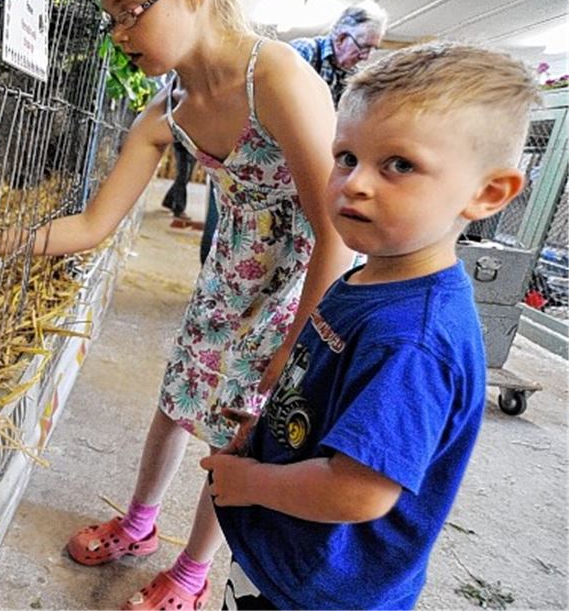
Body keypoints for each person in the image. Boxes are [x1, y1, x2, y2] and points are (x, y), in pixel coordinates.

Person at [0, 0, 355, 607]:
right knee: (176, 401)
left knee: (239, 434)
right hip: (228, 277)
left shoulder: (277, 77)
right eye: (113, 18)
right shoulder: (169, 110)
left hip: (296, 290)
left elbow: (334, 233)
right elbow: (93, 224)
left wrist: (296, 343)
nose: (120, 33)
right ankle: (139, 522)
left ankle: (193, 570)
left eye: (131, 12)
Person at [203, 43, 537, 609]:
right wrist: (267, 435)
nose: (355, 183)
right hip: (287, 555)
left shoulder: (414, 340)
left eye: (399, 165)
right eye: (346, 156)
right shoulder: (368, 279)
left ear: (487, 193)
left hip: (320, 590)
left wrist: (248, 483)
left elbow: (358, 491)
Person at [289, 1, 389, 107]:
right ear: (341, 39)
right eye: (363, 47)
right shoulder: (305, 51)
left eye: (372, 49)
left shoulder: (355, 76)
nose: (365, 57)